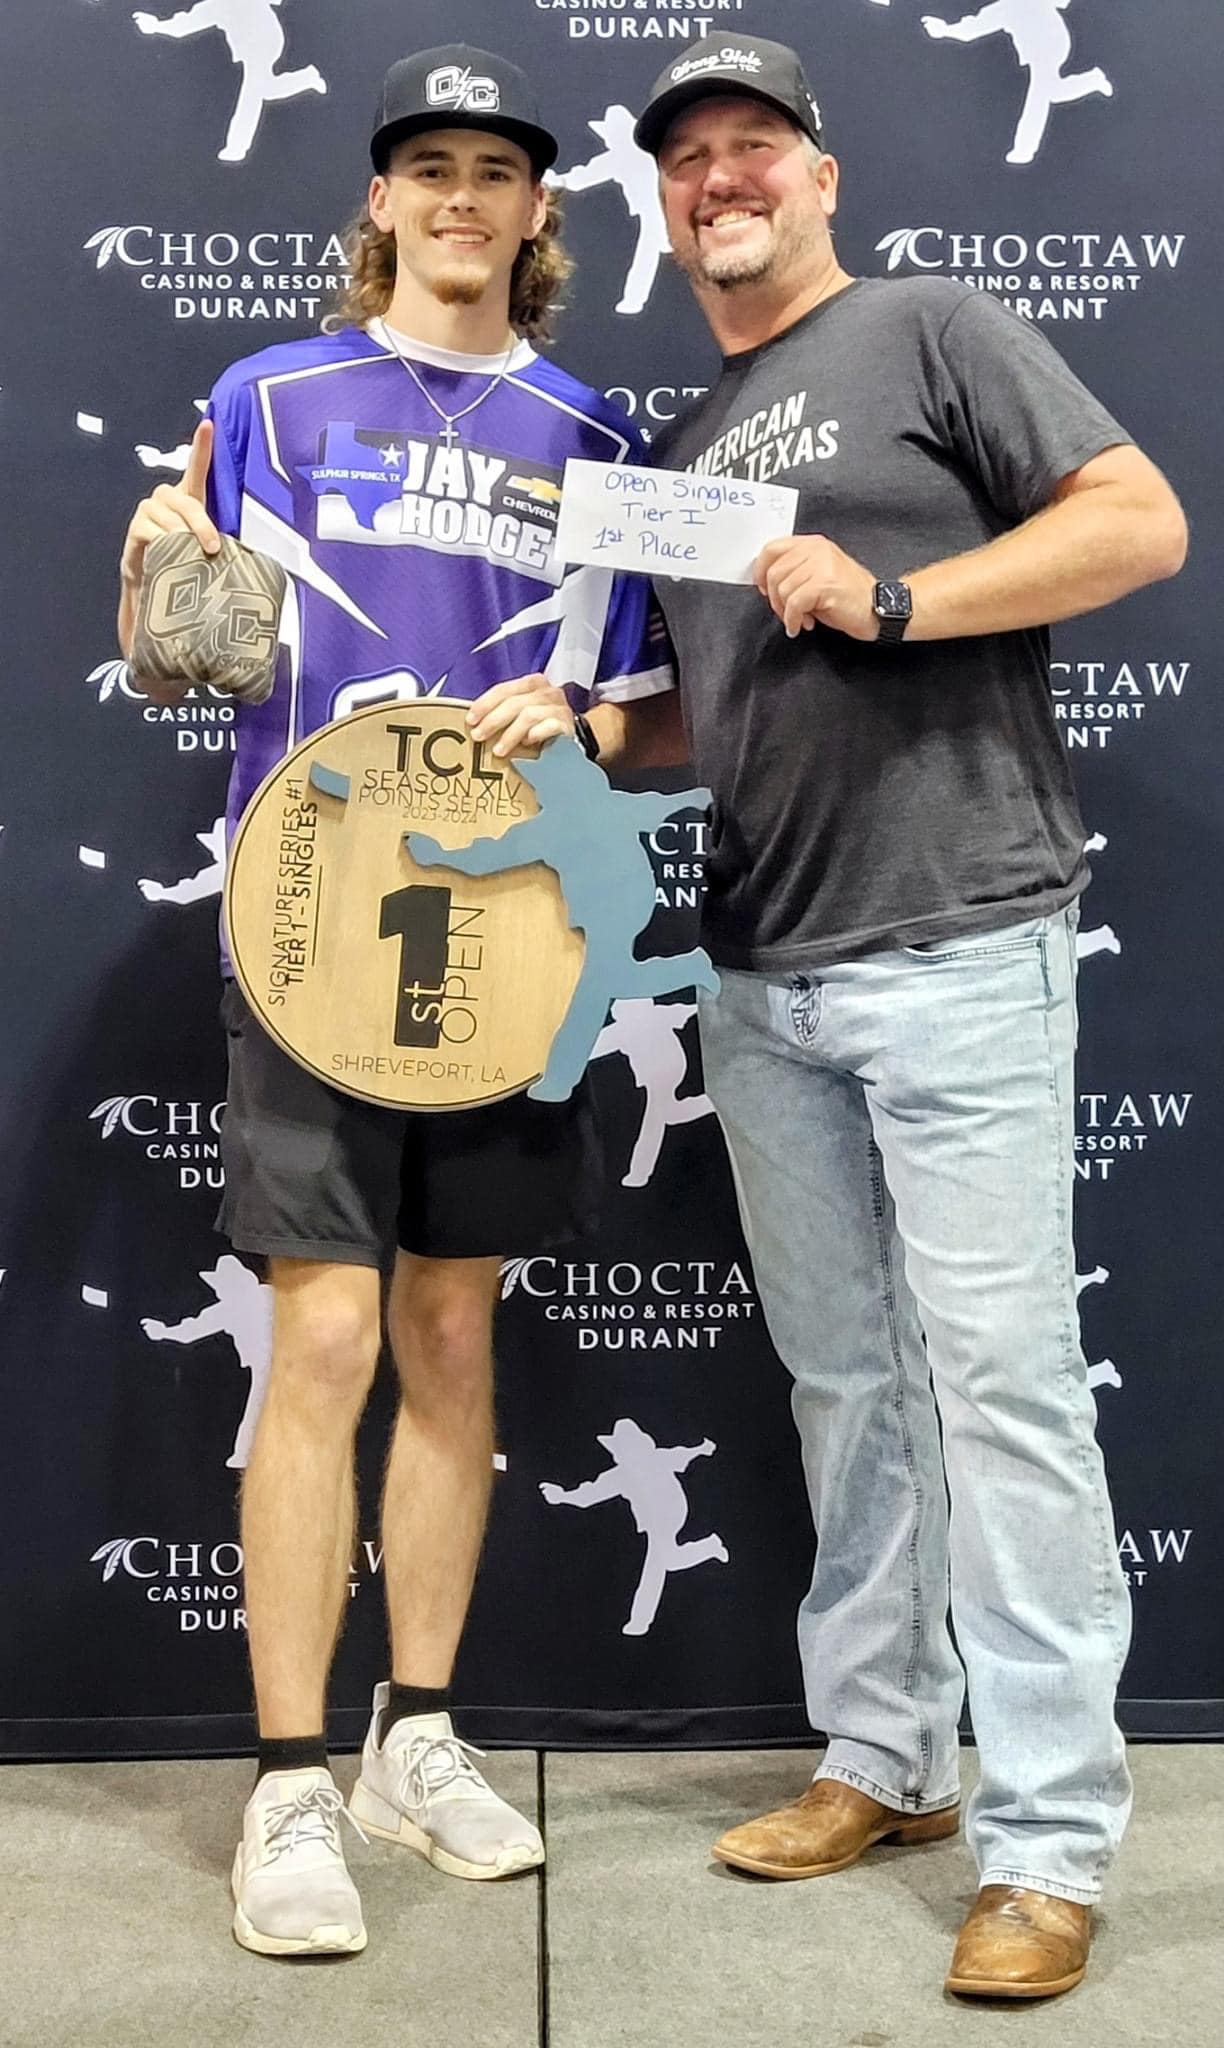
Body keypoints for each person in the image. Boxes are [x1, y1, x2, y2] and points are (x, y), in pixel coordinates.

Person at [622, 32, 1186, 2002]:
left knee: (1003, 1391)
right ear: (663, 205)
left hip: (954, 941)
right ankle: (888, 1756)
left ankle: (1050, 1841)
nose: (721, 177)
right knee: (847, 1387)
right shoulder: (682, 447)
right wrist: (579, 729)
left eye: (753, 144)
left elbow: (1138, 521)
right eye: (688, 158)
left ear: (823, 174)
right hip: (761, 968)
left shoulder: (932, 326)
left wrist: (894, 599)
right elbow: (712, 711)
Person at [116, 42, 677, 1959]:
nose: (459, 197)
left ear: (538, 212)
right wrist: (156, 582)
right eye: (426, 165)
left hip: (510, 939)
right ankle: (286, 1779)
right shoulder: (267, 398)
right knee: (329, 1333)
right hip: (309, 928)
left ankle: (411, 1738)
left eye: (493, 171)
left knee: (450, 1326)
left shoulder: (600, 438)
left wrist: (583, 715)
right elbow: (179, 657)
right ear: (379, 200)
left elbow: (652, 712)